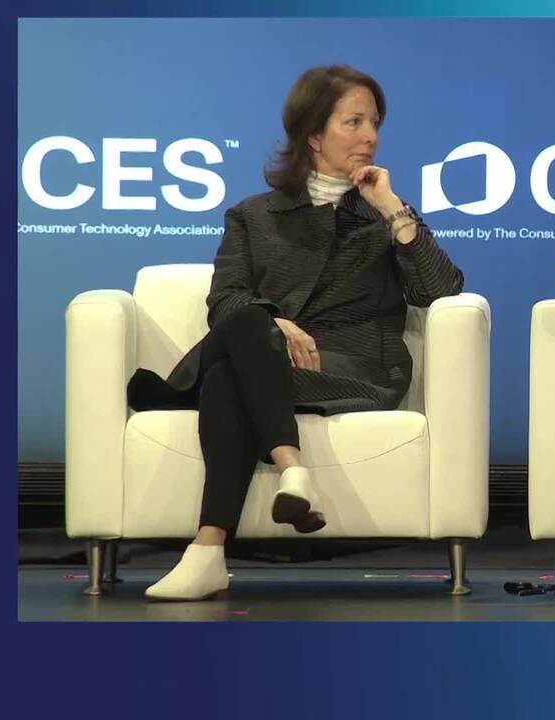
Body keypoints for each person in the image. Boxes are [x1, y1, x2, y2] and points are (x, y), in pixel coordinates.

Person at [126, 65, 464, 601]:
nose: (370, 136)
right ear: (313, 135)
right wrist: (274, 323)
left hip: (356, 368)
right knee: (240, 336)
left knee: (225, 371)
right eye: (354, 122)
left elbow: (439, 290)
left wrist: (393, 210)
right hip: (271, 360)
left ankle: (211, 550)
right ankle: (289, 472)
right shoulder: (253, 216)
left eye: (374, 123)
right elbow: (225, 300)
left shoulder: (385, 216)